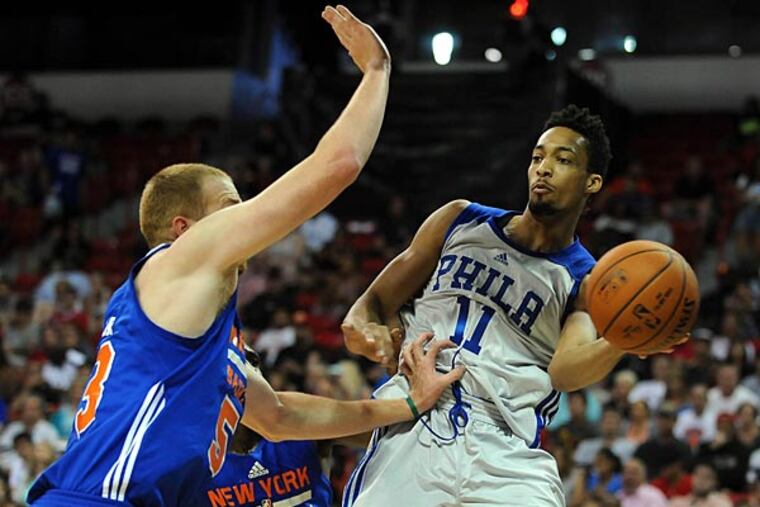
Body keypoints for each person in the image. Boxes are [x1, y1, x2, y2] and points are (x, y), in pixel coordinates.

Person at [27, 7, 463, 506]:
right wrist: (377, 72)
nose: (247, 219)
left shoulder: (199, 338)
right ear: (184, 228)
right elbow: (337, 165)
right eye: (231, 207)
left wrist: (407, 404)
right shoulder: (177, 260)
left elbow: (282, 417)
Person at [342, 105, 686, 505]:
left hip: (505, 444)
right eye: (538, 157)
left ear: (592, 182)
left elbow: (564, 371)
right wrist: (371, 333)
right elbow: (370, 304)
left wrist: (621, 342)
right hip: (417, 415)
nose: (543, 168)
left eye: (563, 160)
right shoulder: (460, 220)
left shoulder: (586, 280)